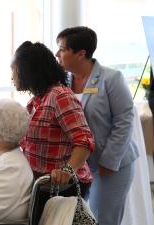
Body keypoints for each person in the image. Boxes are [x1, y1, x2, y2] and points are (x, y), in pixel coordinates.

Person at [55, 26, 139, 225]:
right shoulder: (63, 81)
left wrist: (109, 161)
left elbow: (124, 121)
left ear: (81, 53)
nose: (57, 54)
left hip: (110, 165)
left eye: (62, 49)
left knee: (104, 219)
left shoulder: (112, 78)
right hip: (79, 165)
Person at [12, 41, 95, 221]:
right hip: (42, 185)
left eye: (14, 70)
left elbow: (84, 141)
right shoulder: (36, 100)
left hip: (64, 186)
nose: (12, 77)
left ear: (29, 70)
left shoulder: (60, 96)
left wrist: (66, 170)